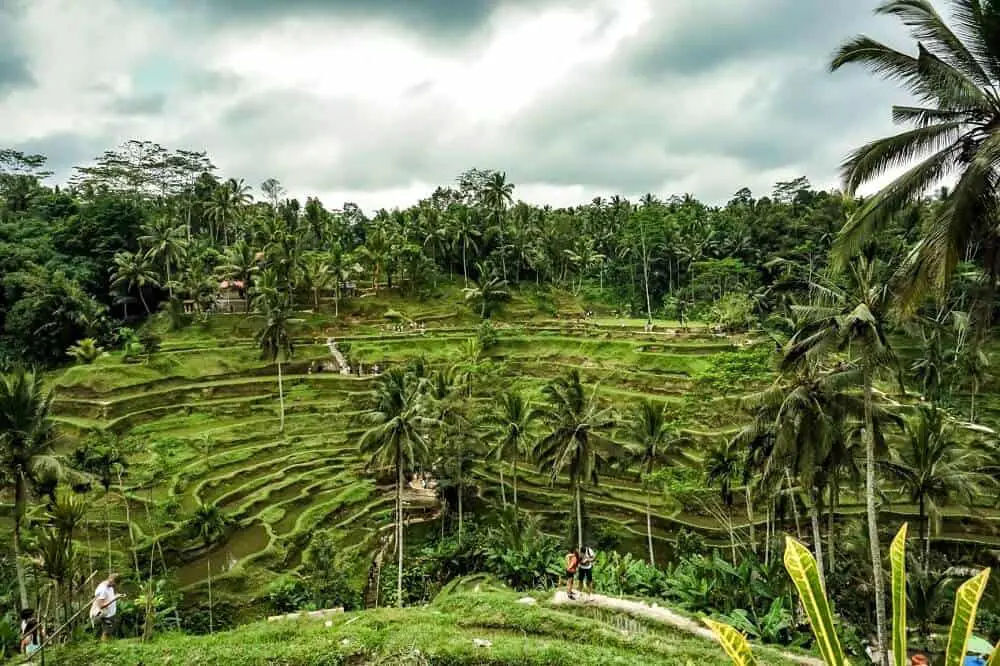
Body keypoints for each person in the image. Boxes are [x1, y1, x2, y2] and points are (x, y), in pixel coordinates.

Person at [90, 573, 125, 641]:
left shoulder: (108, 586)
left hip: (107, 615)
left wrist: (116, 596)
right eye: (114, 584)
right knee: (105, 633)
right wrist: (115, 598)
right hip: (101, 615)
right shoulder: (103, 589)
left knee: (107, 632)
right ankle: (103, 646)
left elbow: (108, 597)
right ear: (112, 580)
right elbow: (100, 606)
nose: (115, 586)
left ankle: (104, 646)